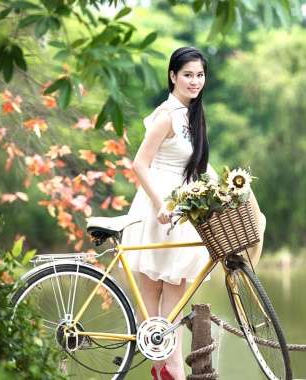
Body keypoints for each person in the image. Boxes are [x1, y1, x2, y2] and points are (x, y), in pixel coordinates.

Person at [121, 46, 216, 380]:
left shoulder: (193, 115)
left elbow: (199, 166)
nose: (194, 81)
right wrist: (161, 203)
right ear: (173, 77)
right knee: (152, 295)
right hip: (158, 208)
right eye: (187, 75)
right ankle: (168, 369)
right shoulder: (166, 115)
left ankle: (166, 369)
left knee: (175, 294)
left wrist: (224, 189)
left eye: (199, 75)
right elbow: (139, 164)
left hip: (182, 211)